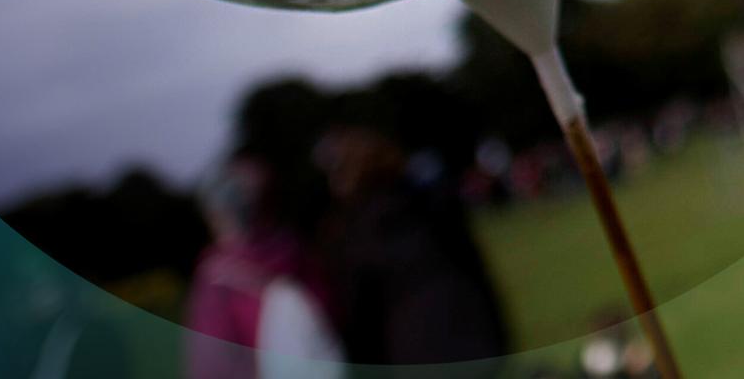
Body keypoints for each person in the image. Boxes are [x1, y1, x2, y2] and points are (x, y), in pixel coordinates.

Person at [315, 124, 508, 372]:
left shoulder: (350, 236)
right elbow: (476, 271)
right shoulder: (432, 204)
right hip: (471, 333)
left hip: (417, 351)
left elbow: (360, 320)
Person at [184, 154, 344, 379]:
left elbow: (211, 360)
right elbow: (332, 315)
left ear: (216, 213)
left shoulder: (216, 275)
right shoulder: (297, 252)